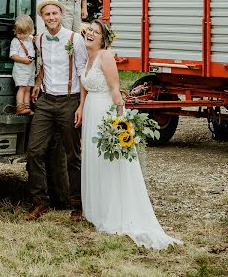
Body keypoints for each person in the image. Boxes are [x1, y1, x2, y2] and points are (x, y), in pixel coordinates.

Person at [78, 19, 182, 249]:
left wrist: (121, 122)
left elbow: (115, 90)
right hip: (91, 112)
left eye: (96, 32)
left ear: (104, 38)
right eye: (89, 31)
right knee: (94, 160)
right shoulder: (88, 56)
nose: (91, 34)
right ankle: (96, 209)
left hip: (106, 113)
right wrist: (81, 107)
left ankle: (113, 212)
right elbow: (85, 86)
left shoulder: (105, 56)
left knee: (109, 161)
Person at [25, 0, 88, 221]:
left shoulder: (74, 39)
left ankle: (78, 205)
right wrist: (37, 83)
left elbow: (82, 73)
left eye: (54, 13)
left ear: (60, 15)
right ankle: (40, 203)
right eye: (47, 14)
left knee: (72, 156)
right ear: (41, 18)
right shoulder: (39, 40)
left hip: (69, 101)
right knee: (34, 151)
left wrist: (81, 105)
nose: (51, 17)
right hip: (45, 101)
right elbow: (43, 65)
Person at [10, 14, 36, 116]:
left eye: (24, 33)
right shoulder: (16, 41)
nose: (21, 35)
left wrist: (34, 39)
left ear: (30, 31)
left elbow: (33, 38)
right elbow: (12, 55)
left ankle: (26, 106)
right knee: (22, 87)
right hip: (21, 70)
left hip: (30, 70)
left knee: (28, 88)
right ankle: (19, 106)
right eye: (18, 33)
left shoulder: (29, 38)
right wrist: (23, 60)